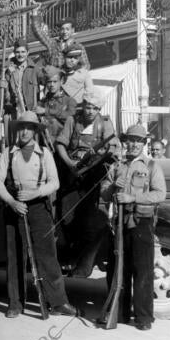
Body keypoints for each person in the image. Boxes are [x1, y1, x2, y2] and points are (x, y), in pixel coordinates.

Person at [0, 111, 81, 318]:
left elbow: (54, 182)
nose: (24, 131)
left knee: (47, 256)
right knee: (16, 257)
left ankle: (58, 303)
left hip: (39, 208)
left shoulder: (45, 153)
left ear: (35, 131)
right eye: (21, 127)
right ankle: (15, 303)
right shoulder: (8, 153)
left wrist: (36, 193)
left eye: (29, 128)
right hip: (15, 208)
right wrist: (12, 202)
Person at [100, 124, 166, 331]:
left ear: (144, 144)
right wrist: (112, 188)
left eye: (138, 140)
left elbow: (160, 194)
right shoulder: (116, 166)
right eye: (130, 140)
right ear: (125, 142)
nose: (134, 144)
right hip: (118, 223)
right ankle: (119, 313)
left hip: (141, 223)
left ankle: (144, 317)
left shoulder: (152, 166)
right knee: (119, 269)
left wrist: (133, 197)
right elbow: (103, 194)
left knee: (143, 271)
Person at [55, 92, 120, 278]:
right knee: (66, 217)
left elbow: (112, 145)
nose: (91, 111)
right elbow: (60, 144)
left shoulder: (105, 123)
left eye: (95, 108)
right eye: (88, 107)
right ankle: (67, 258)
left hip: (93, 174)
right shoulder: (72, 120)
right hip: (72, 173)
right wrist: (70, 163)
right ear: (83, 106)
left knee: (89, 218)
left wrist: (100, 155)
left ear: (100, 109)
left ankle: (83, 265)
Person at [34, 65, 77, 144]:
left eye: (55, 81)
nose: (52, 85)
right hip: (44, 142)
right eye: (49, 82)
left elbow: (71, 117)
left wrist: (46, 111)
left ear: (61, 81)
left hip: (62, 144)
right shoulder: (43, 102)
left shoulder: (69, 100)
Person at [5, 38, 43, 117]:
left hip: (31, 109)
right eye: (17, 52)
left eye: (23, 52)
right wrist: (8, 73)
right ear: (14, 53)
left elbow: (46, 81)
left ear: (28, 52)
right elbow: (6, 90)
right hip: (15, 109)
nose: (20, 55)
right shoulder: (9, 69)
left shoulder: (34, 69)